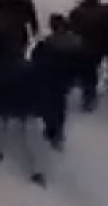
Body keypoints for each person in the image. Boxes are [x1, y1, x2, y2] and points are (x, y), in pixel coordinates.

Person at [0, 52, 45, 186]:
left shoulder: (3, 67)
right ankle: (34, 171)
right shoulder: (32, 68)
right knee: (26, 139)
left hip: (4, 103)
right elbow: (39, 87)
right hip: (25, 106)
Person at [29, 14, 82, 149]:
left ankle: (53, 129)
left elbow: (36, 58)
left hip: (51, 77)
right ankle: (56, 131)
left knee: (50, 103)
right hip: (65, 78)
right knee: (58, 103)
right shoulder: (75, 40)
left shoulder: (49, 42)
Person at [67, 0, 108, 112]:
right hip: (96, 48)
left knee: (84, 70)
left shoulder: (77, 11)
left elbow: (71, 29)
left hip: (81, 46)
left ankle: (83, 88)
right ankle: (89, 97)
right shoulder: (104, 12)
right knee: (91, 72)